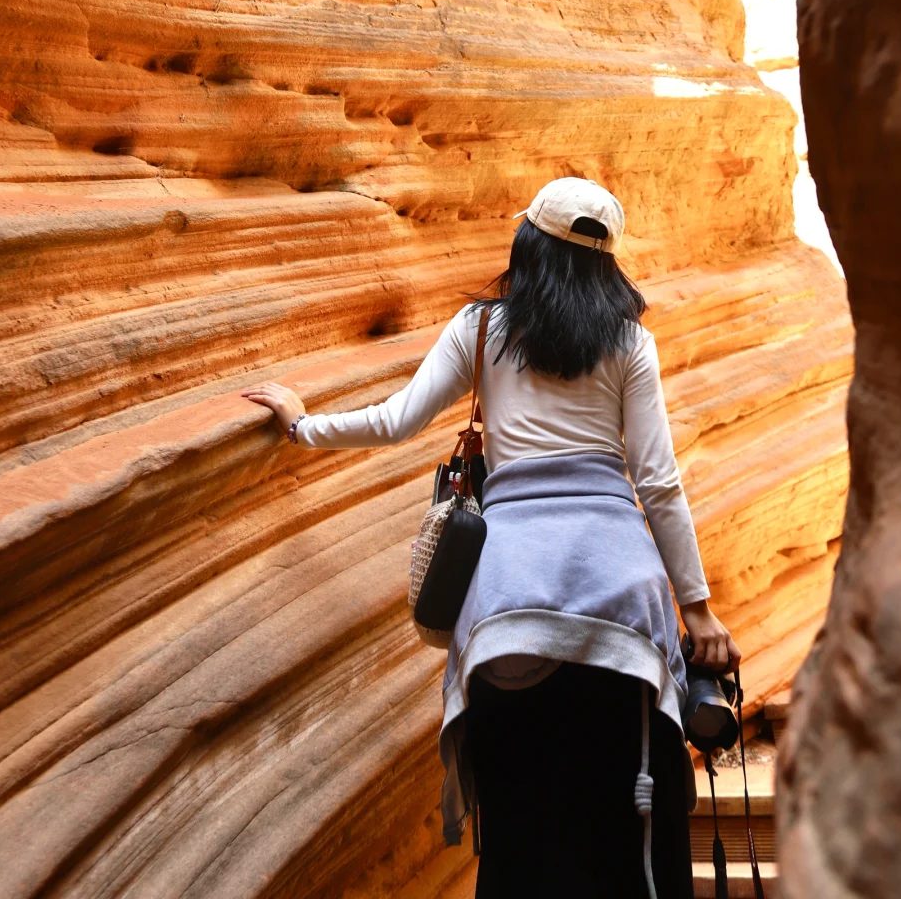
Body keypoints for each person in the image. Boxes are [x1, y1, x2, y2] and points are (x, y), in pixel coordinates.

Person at [244, 177, 740, 899]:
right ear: (608, 261)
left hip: (507, 601)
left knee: (516, 828)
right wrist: (695, 607)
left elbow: (396, 420)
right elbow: (657, 483)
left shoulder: (483, 328)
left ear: (527, 243)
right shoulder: (631, 342)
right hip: (620, 596)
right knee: (624, 817)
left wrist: (300, 424)